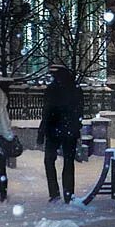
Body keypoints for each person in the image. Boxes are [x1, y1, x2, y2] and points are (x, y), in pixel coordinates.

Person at [38, 68, 83, 203]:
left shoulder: (52, 89)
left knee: (49, 161)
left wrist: (42, 131)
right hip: (69, 130)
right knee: (68, 163)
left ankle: (54, 193)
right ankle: (68, 193)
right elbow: (80, 110)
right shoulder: (75, 88)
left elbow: (46, 111)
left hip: (53, 130)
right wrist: (76, 126)